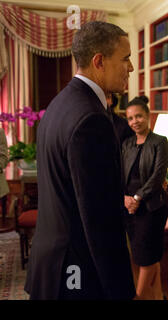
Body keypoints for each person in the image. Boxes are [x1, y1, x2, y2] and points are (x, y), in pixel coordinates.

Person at [25, 21, 135, 300]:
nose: (131, 68)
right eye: (126, 59)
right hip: (77, 275)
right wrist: (122, 291)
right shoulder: (91, 119)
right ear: (99, 61)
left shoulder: (60, 103)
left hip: (52, 267)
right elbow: (100, 219)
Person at [122, 96, 168, 300]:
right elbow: (119, 174)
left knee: (146, 258)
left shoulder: (159, 141)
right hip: (129, 207)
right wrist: (125, 198)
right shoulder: (126, 144)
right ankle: (158, 296)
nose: (135, 121)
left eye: (139, 116)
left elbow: (158, 176)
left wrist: (137, 197)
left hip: (152, 207)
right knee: (145, 254)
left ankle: (139, 296)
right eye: (131, 118)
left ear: (148, 116)